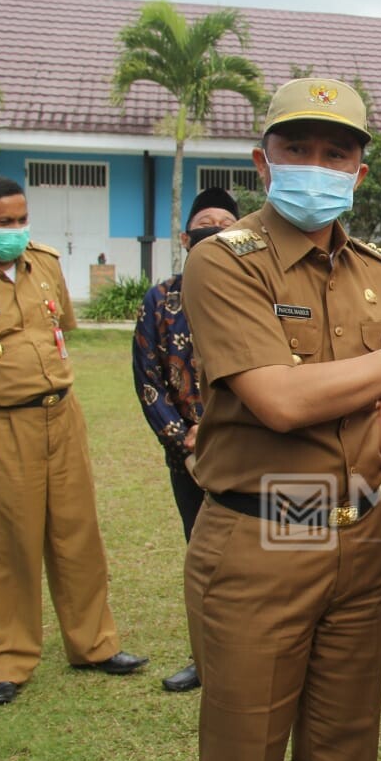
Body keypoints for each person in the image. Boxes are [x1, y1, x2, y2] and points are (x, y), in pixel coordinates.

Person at [179, 77, 381, 761]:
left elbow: (378, 411)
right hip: (263, 535)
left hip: (362, 536)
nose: (316, 166)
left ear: (359, 171)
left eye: (335, 153)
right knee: (245, 746)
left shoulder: (373, 272)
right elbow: (281, 401)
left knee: (345, 744)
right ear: (262, 162)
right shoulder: (224, 262)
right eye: (298, 148)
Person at [0, 175, 148, 707]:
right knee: (4, 545)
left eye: (21, 219)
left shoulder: (44, 263)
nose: (16, 230)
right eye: (4, 222)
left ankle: (94, 644)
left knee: (77, 534)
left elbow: (60, 333)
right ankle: (3, 659)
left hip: (61, 416)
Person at [132, 185, 239, 693]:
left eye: (225, 221)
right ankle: (206, 658)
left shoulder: (257, 294)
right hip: (190, 454)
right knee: (202, 552)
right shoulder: (161, 298)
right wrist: (186, 440)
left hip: (251, 449)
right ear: (185, 236)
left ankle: (259, 654)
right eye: (205, 222)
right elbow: (148, 378)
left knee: (258, 554)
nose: (215, 228)